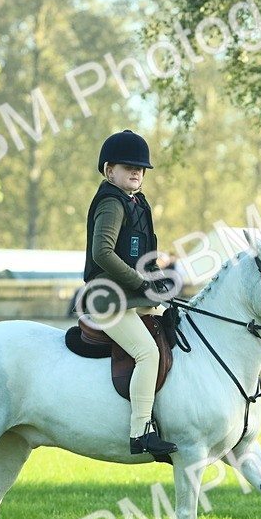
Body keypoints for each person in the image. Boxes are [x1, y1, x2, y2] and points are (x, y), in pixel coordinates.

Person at [80, 130, 177, 457]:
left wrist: (157, 279)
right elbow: (102, 254)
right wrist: (141, 283)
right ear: (110, 171)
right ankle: (140, 433)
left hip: (133, 297)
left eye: (141, 168)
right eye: (128, 167)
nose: (137, 172)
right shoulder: (111, 202)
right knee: (148, 353)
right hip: (109, 298)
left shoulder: (137, 202)